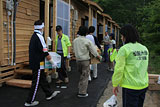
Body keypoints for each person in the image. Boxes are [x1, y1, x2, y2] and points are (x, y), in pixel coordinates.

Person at [25, 20, 60, 107]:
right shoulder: (39, 37)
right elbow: (45, 51)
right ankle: (29, 101)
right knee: (36, 82)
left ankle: (49, 94)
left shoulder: (34, 36)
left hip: (36, 62)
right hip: (37, 63)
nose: (43, 29)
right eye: (43, 27)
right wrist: (52, 62)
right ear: (41, 28)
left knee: (42, 78)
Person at [112, 25, 149, 107]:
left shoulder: (124, 49)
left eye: (122, 36)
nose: (121, 38)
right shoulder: (144, 48)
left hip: (130, 86)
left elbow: (119, 69)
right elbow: (144, 67)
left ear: (126, 36)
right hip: (143, 85)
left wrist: (115, 84)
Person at [73, 26, 102, 98]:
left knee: (82, 75)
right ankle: (82, 92)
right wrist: (99, 57)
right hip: (85, 60)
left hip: (77, 60)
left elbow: (74, 50)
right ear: (86, 33)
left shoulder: (75, 40)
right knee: (85, 76)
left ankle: (80, 89)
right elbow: (94, 51)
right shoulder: (87, 41)